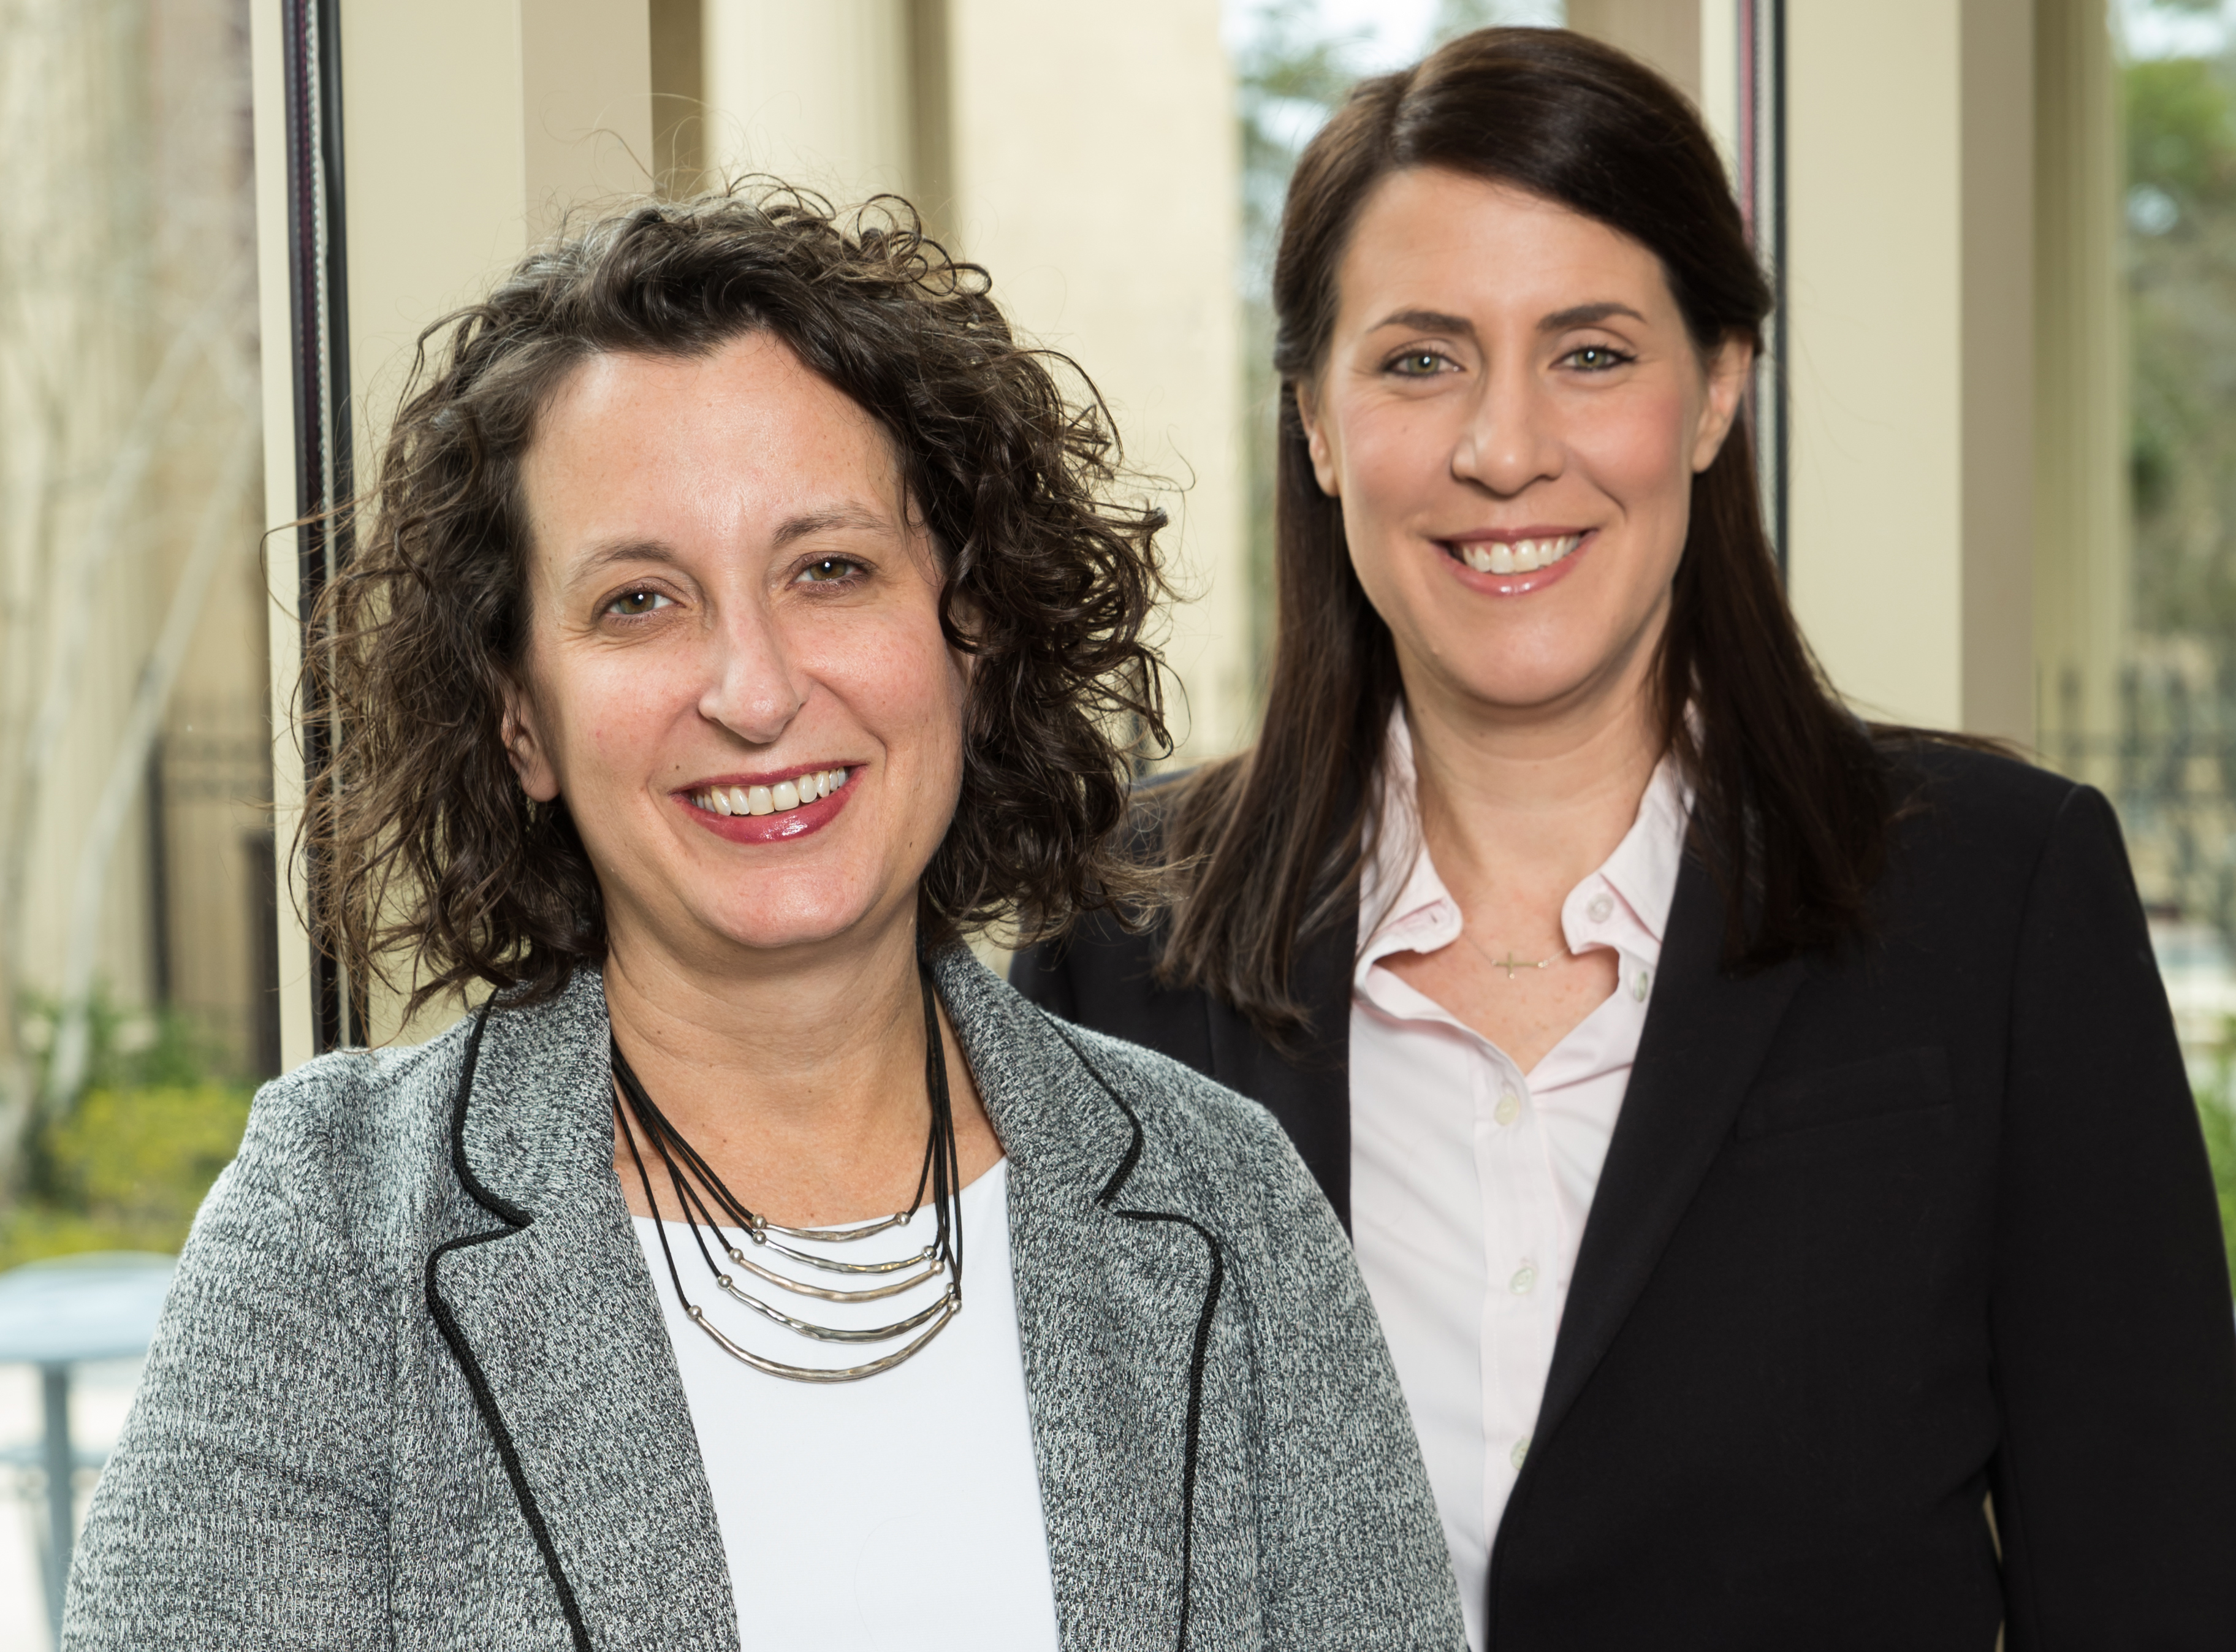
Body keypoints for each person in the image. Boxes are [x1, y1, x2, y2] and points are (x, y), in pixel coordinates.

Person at [62, 191, 1465, 1650]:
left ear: (968, 635)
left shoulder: (1224, 1198)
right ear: (520, 720)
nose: (754, 687)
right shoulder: (336, 1229)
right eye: (639, 601)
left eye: (829, 570)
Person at [1016, 26, 2236, 1651]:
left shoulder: (1997, 898)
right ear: (1315, 419)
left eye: (1591, 353)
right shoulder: (1120, 933)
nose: (1506, 448)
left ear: (1717, 389)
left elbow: (2152, 1579)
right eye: (1420, 359)